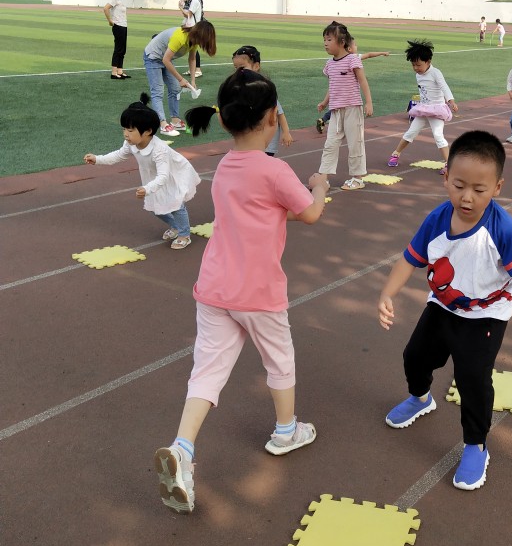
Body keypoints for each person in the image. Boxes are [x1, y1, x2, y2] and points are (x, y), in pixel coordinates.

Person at [153, 69, 329, 513]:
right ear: (272, 117)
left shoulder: (225, 166)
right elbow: (309, 214)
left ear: (225, 120)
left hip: (214, 288)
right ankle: (286, 431)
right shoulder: (275, 169)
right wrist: (320, 187)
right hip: (258, 292)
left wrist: (295, 203)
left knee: (207, 370)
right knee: (279, 360)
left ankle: (182, 448)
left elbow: (263, 211)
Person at [378, 130, 512, 491]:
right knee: (415, 357)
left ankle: (476, 445)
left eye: (479, 189)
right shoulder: (436, 219)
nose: (467, 197)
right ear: (446, 177)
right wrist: (387, 294)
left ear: (497, 188)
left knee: (472, 378)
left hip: (486, 314)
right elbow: (409, 259)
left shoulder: (502, 228)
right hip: (443, 304)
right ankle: (420, 398)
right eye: (458, 185)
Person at [83, 94, 200, 250]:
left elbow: (164, 176)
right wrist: (98, 159)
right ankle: (176, 226)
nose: (126, 134)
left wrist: (147, 188)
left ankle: (184, 234)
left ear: (148, 131)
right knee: (155, 208)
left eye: (130, 130)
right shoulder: (130, 143)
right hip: (153, 178)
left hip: (172, 175)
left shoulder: (159, 150)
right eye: (124, 129)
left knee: (176, 204)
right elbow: (118, 155)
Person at [315, 20, 373, 191]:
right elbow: (333, 85)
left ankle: (357, 178)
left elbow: (363, 81)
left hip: (352, 108)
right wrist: (325, 102)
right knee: (330, 144)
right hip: (335, 111)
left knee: (355, 143)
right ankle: (323, 177)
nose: (325, 43)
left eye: (329, 40)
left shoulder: (352, 60)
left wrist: (369, 102)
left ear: (341, 42)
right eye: (324, 40)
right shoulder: (329, 64)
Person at [386, 40, 458, 172]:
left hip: (437, 110)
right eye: (413, 65)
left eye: (418, 65)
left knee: (438, 136)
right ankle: (395, 154)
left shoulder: (436, 73)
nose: (415, 68)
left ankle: (449, 164)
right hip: (424, 109)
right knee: (411, 132)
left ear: (428, 62)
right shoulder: (418, 75)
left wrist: (451, 100)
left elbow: (444, 87)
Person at [142, 20, 216, 136]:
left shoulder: (194, 41)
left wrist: (192, 80)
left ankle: (175, 121)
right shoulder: (180, 37)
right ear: (199, 34)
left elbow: (192, 59)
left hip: (166, 58)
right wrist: (180, 79)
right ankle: (162, 124)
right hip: (153, 57)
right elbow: (165, 60)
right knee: (158, 91)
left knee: (175, 88)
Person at [232, 46, 293, 156]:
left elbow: (279, 112)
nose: (238, 71)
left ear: (256, 66)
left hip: (266, 140)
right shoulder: (241, 88)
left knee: (261, 161)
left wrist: (286, 132)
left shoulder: (264, 89)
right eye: (235, 67)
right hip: (251, 139)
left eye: (242, 67)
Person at [317, 42, 389, 132]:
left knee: (338, 110)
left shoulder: (354, 58)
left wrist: (382, 53)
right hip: (349, 99)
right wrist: (382, 53)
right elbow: (368, 55)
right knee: (343, 113)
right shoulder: (355, 57)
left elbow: (369, 55)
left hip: (339, 98)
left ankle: (324, 119)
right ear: (349, 49)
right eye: (355, 45)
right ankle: (325, 119)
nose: (356, 46)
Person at [103, 0, 130, 79]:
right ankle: (114, 72)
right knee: (118, 49)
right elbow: (106, 8)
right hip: (118, 26)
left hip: (123, 26)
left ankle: (120, 71)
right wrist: (110, 20)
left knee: (123, 49)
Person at [182, 0, 204, 78]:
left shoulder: (195, 1)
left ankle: (197, 69)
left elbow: (188, 15)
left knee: (193, 49)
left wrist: (180, 8)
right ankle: (193, 69)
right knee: (192, 48)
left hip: (193, 27)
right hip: (195, 26)